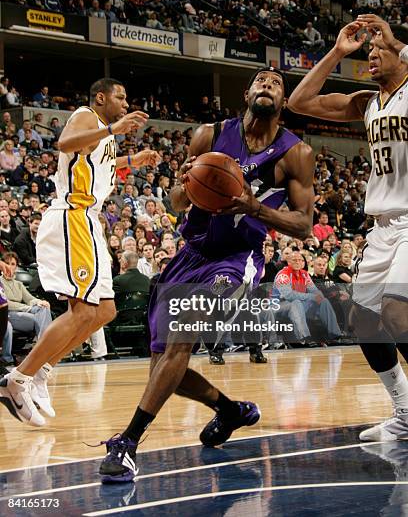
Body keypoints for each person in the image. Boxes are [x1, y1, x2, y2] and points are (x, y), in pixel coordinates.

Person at [98, 66, 315, 483]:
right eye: (260, 81)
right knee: (164, 366)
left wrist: (256, 208)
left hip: (237, 260)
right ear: (247, 92)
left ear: (283, 101)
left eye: (276, 84)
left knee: (180, 339)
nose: (267, 85)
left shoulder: (296, 153)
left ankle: (127, 443)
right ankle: (230, 410)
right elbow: (179, 201)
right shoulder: (209, 135)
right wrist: (185, 187)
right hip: (190, 253)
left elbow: (304, 225)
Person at [0, 78, 160, 427]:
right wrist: (114, 129)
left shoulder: (103, 133)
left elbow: (99, 164)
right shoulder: (87, 116)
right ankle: (18, 378)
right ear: (101, 97)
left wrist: (132, 160)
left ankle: (41, 371)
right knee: (83, 309)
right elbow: (65, 143)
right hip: (72, 216)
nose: (124, 102)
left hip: (89, 220)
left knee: (103, 311)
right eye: (120, 96)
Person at [288, 14, 408, 441]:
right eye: (368, 51)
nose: (371, 55)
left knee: (397, 313)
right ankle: (405, 413)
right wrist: (337, 52)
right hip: (382, 224)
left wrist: (396, 41)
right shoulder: (367, 102)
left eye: (380, 50)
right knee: (365, 321)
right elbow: (298, 102)